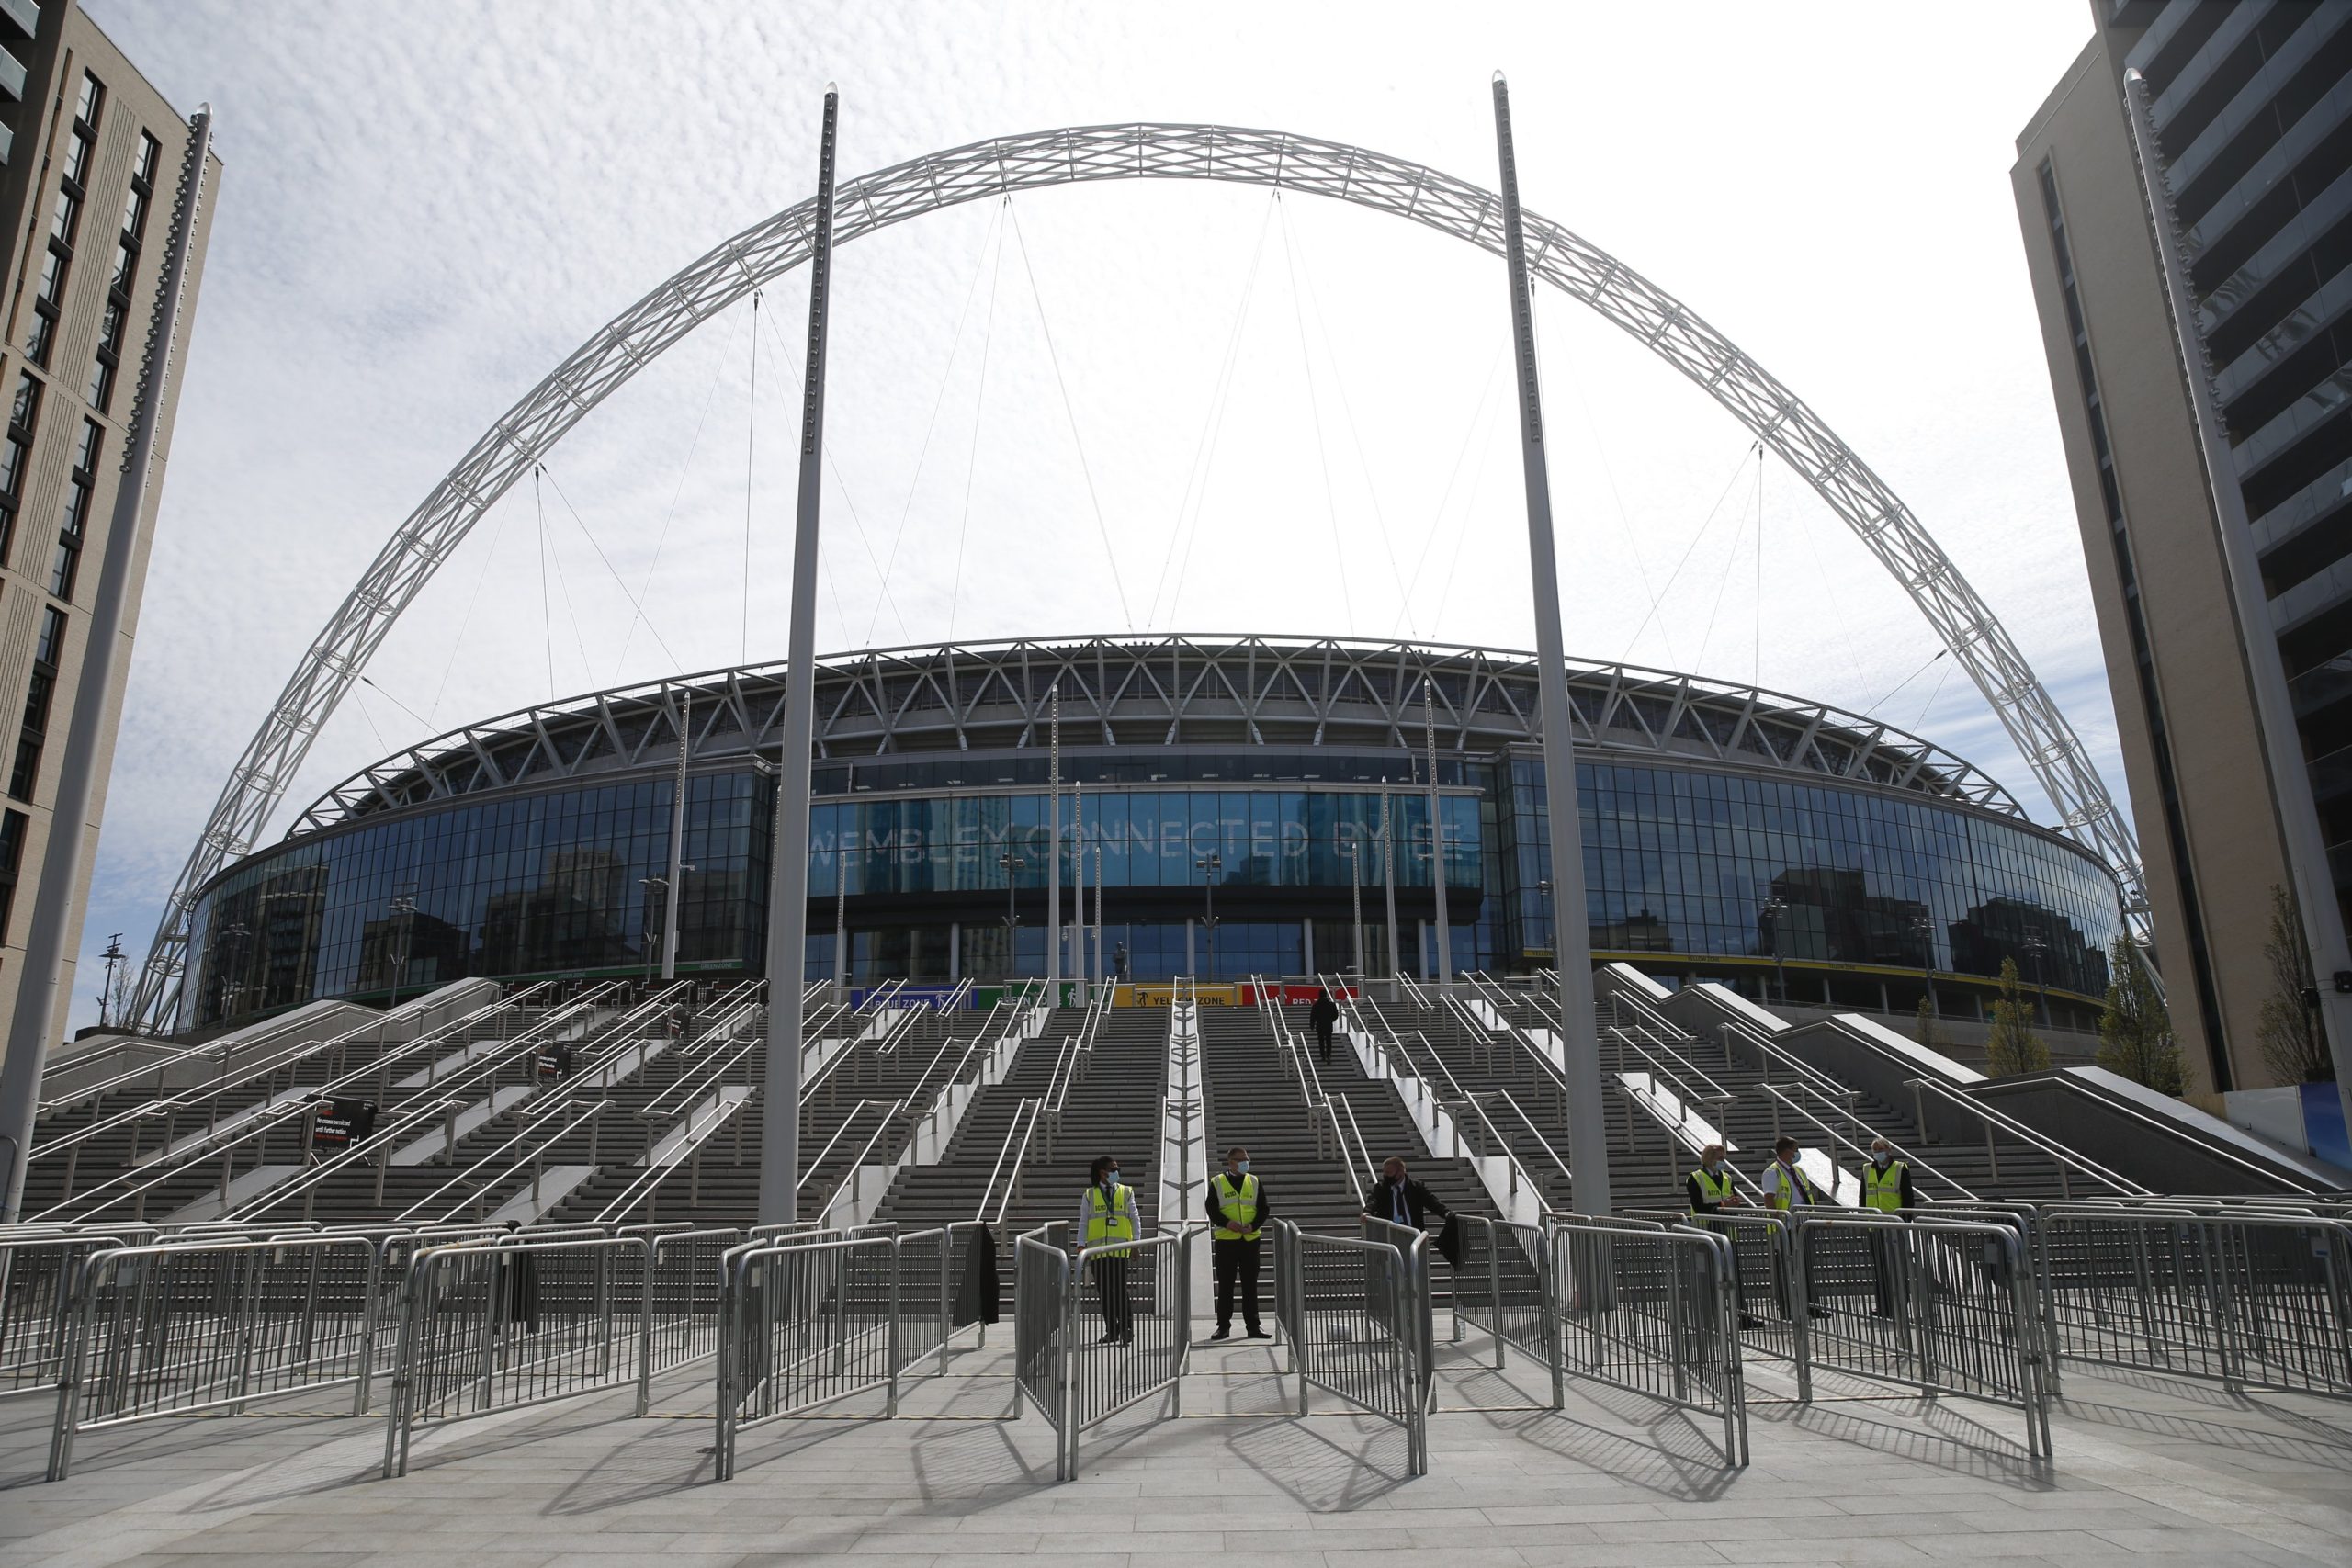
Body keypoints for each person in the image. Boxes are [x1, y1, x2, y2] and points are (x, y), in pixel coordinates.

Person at [1688, 1143, 1758, 1329]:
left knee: (1735, 1276)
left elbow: (1731, 1200)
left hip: (1727, 1232)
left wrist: (1734, 1203)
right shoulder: (1696, 1178)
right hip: (1707, 1233)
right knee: (1710, 1277)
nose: (1723, 1162)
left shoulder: (1727, 1178)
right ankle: (1710, 1317)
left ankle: (1743, 1316)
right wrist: (1722, 1204)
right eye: (1720, 1158)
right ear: (1709, 1159)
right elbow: (1698, 1206)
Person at [1205, 1146, 1272, 1341]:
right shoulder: (1217, 1182)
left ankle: (1253, 1326)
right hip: (1226, 1240)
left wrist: (1253, 1226)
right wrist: (1227, 1223)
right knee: (1226, 1285)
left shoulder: (1254, 1181)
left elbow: (1264, 1208)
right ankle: (1223, 1326)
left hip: (1250, 1240)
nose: (1246, 1163)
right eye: (1241, 1160)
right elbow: (1211, 1208)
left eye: (1247, 1159)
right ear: (1231, 1162)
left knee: (1250, 1285)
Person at [1074, 1155, 1140, 1345]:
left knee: (1119, 1290)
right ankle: (1112, 1329)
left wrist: (1135, 1243)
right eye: (1113, 1169)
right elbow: (1084, 1222)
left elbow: (1135, 1218)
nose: (1117, 1172)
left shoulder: (1126, 1192)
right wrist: (1081, 1244)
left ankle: (1127, 1328)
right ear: (1102, 1173)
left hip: (1120, 1250)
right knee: (1104, 1292)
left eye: (1117, 1169)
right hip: (1098, 1252)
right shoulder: (1090, 1194)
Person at [1862, 1136, 1917, 1318]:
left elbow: (1908, 1197)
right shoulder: (1867, 1169)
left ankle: (1900, 1304)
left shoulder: (1900, 1168)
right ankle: (1883, 1305)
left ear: (1889, 1150)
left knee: (1898, 1267)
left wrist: (1906, 1221)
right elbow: (1863, 1198)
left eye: (1880, 1149)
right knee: (1880, 1267)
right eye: (1875, 1150)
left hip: (1895, 1225)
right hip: (1875, 1226)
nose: (1878, 1153)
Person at [1362, 1156, 1451, 1232]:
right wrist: (1367, 1212)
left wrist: (1446, 1213)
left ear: (1401, 1172)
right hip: (1389, 1234)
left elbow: (1432, 1202)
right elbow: (1373, 1201)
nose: (1386, 1176)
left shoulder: (1416, 1187)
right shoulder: (1381, 1188)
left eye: (1389, 1173)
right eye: (1384, 1173)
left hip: (1413, 1232)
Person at [1309, 987, 1340, 1065]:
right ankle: (1328, 1055)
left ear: (1319, 996)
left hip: (1320, 1025)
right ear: (1326, 995)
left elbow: (1313, 1016)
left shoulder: (1316, 1005)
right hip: (1328, 1025)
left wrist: (1312, 1025)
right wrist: (1330, 1020)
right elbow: (1336, 1015)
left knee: (1321, 1041)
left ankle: (1323, 1055)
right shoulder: (1331, 1005)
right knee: (1328, 1041)